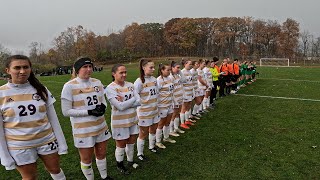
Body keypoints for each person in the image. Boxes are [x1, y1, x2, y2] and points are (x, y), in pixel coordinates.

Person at [0, 55, 67, 180]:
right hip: (19, 146)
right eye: (17, 67)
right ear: (8, 70)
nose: (22, 71)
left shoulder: (41, 89)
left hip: (46, 141)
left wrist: (62, 143)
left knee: (55, 170)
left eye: (26, 67)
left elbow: (53, 119)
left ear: (30, 69)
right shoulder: (1, 93)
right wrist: (5, 157)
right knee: (29, 177)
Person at [61, 57, 112, 180]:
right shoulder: (69, 86)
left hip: (100, 126)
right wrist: (89, 111)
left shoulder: (97, 82)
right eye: (85, 67)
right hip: (83, 130)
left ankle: (104, 177)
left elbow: (103, 101)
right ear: (77, 69)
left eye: (90, 66)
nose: (89, 69)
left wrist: (102, 108)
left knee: (101, 154)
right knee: (86, 159)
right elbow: (66, 111)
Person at [105, 64, 140, 175]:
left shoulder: (130, 85)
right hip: (119, 122)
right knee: (121, 144)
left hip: (133, 119)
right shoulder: (110, 88)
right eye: (121, 72)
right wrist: (132, 99)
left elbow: (139, 101)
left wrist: (125, 101)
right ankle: (120, 164)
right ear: (113, 74)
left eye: (125, 72)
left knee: (131, 142)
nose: (124, 74)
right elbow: (120, 107)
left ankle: (130, 161)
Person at [134, 59, 160, 161]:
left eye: (154, 67)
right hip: (144, 112)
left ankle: (152, 146)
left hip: (154, 110)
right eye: (151, 67)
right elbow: (135, 97)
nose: (153, 69)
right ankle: (140, 154)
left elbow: (156, 93)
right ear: (143, 68)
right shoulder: (139, 81)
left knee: (153, 129)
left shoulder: (154, 79)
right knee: (143, 133)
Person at [155, 63, 176, 149]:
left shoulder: (170, 78)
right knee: (161, 123)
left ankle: (166, 137)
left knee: (167, 122)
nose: (169, 71)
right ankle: (158, 141)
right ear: (162, 70)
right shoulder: (158, 80)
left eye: (170, 70)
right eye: (167, 70)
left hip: (170, 104)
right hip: (162, 105)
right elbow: (156, 94)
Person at [168, 61, 185, 135]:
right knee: (173, 114)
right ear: (172, 68)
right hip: (175, 100)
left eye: (179, 67)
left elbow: (184, 80)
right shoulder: (170, 77)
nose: (179, 69)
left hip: (180, 98)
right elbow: (170, 90)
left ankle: (176, 128)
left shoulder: (178, 75)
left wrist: (180, 72)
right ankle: (171, 130)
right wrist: (174, 100)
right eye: (177, 68)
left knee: (177, 113)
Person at [180, 59, 194, 129]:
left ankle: (187, 120)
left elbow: (191, 82)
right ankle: (182, 123)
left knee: (189, 106)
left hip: (190, 91)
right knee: (184, 108)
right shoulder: (182, 72)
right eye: (189, 64)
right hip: (185, 92)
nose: (191, 65)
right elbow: (180, 84)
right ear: (185, 64)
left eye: (191, 64)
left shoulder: (190, 72)